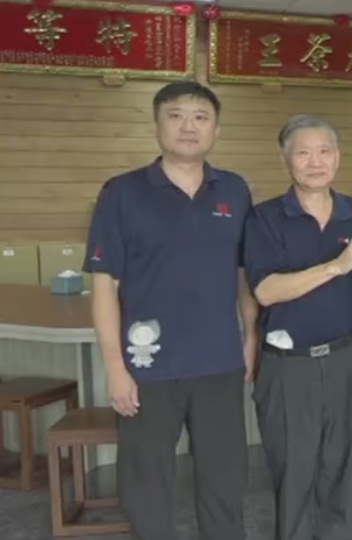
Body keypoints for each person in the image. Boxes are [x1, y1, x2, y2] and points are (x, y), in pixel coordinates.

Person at [84, 81, 258, 540]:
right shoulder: (122, 193)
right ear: (157, 125)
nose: (188, 126)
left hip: (219, 363)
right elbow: (104, 284)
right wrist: (115, 367)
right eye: (176, 115)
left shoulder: (235, 190)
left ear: (216, 130)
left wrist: (251, 336)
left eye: (201, 117)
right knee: (146, 484)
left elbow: (245, 274)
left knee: (225, 480)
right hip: (148, 366)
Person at [241, 114, 352, 540]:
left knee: (345, 469)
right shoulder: (264, 218)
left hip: (347, 359)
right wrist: (336, 266)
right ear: (285, 161)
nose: (315, 161)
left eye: (324, 151)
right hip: (288, 366)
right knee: (294, 473)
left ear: (338, 157)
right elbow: (266, 290)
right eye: (303, 153)